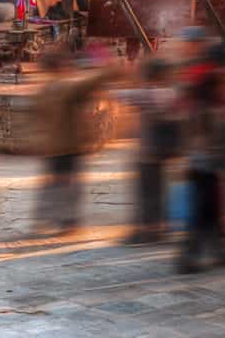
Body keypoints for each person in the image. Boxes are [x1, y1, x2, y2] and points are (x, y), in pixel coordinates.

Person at [34, 44, 112, 233]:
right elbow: (88, 84)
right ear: (62, 66)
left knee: (53, 183)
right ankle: (68, 221)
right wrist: (111, 70)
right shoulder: (64, 87)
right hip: (68, 145)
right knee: (69, 184)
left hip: (51, 145)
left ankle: (45, 217)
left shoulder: (44, 90)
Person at [176, 63, 225, 272]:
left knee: (212, 214)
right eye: (223, 85)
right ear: (213, 87)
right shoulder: (206, 110)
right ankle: (190, 258)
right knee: (204, 214)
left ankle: (224, 251)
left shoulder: (204, 107)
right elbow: (205, 142)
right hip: (206, 169)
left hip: (204, 167)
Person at [121, 55, 179, 244]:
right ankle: (159, 228)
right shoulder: (171, 93)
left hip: (147, 151)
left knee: (146, 191)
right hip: (162, 151)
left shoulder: (148, 94)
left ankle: (147, 230)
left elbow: (123, 96)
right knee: (158, 190)